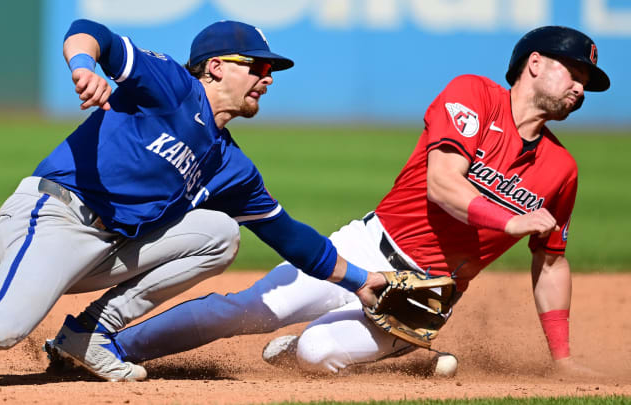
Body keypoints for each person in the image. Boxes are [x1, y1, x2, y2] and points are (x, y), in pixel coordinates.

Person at [96, 26, 610, 375]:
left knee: (318, 354)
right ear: (535, 64)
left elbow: (551, 263)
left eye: (587, 82)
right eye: (574, 73)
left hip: (421, 297)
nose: (580, 88)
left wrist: (560, 358)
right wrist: (508, 221)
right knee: (244, 310)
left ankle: (390, 355)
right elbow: (444, 185)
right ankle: (111, 347)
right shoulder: (473, 94)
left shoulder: (561, 168)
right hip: (363, 250)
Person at [0, 19, 390, 381]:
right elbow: (87, 32)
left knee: (220, 234)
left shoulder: (232, 166)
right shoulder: (171, 86)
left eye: (271, 70)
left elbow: (290, 237)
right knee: (2, 327)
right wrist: (84, 67)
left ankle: (89, 334)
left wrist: (364, 281)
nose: (268, 77)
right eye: (259, 66)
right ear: (217, 67)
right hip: (55, 215)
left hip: (103, 248)